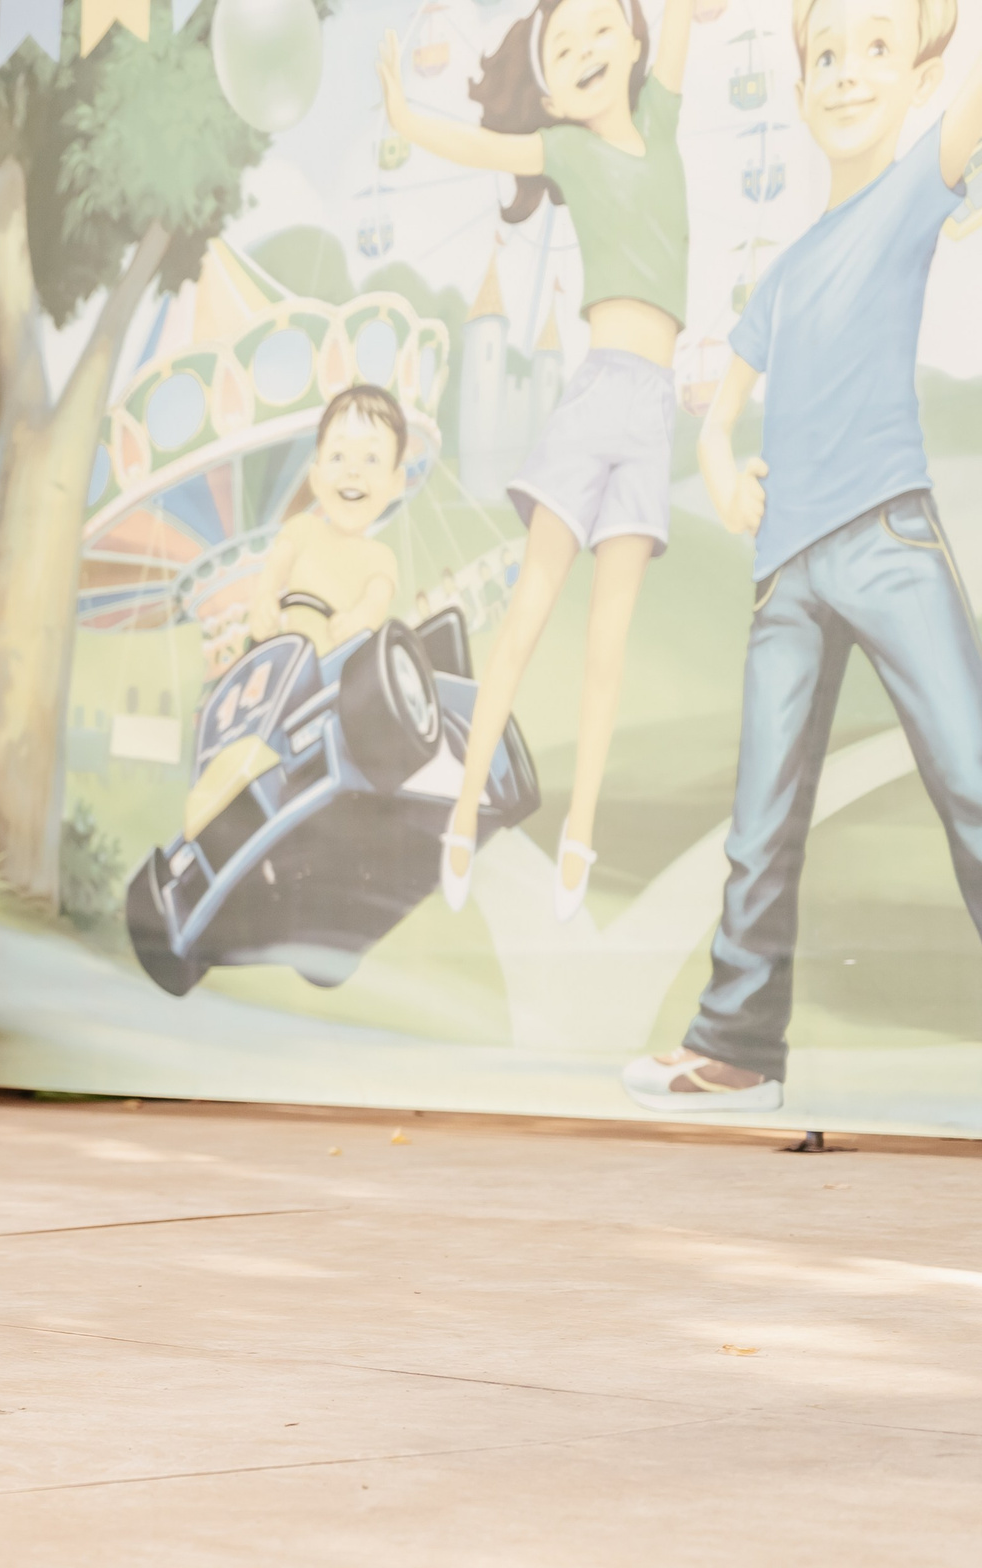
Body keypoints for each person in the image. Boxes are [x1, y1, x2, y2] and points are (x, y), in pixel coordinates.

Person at [625, 0, 982, 1114]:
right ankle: (735, 1046)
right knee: (759, 819)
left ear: (918, 80)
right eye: (823, 54)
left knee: (972, 778)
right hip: (786, 571)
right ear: (797, 90)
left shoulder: (918, 181)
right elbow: (720, 415)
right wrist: (723, 469)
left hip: (885, 535)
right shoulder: (780, 273)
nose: (843, 73)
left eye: (874, 49)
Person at [381, 0, 696, 921]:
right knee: (526, 615)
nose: (586, 48)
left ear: (634, 42)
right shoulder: (566, 153)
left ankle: (581, 832)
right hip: (596, 392)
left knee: (608, 644)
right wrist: (403, 116)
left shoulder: (666, 119)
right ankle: (463, 812)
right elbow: (478, 152)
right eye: (562, 46)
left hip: (653, 413)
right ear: (549, 91)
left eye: (601, 29)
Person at [247, 385, 411, 654]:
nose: (353, 471)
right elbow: (274, 571)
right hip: (294, 665)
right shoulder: (301, 529)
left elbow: (376, 601)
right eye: (338, 457)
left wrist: (360, 620)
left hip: (345, 673)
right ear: (316, 476)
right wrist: (264, 601)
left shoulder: (381, 558)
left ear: (396, 482)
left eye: (371, 458)